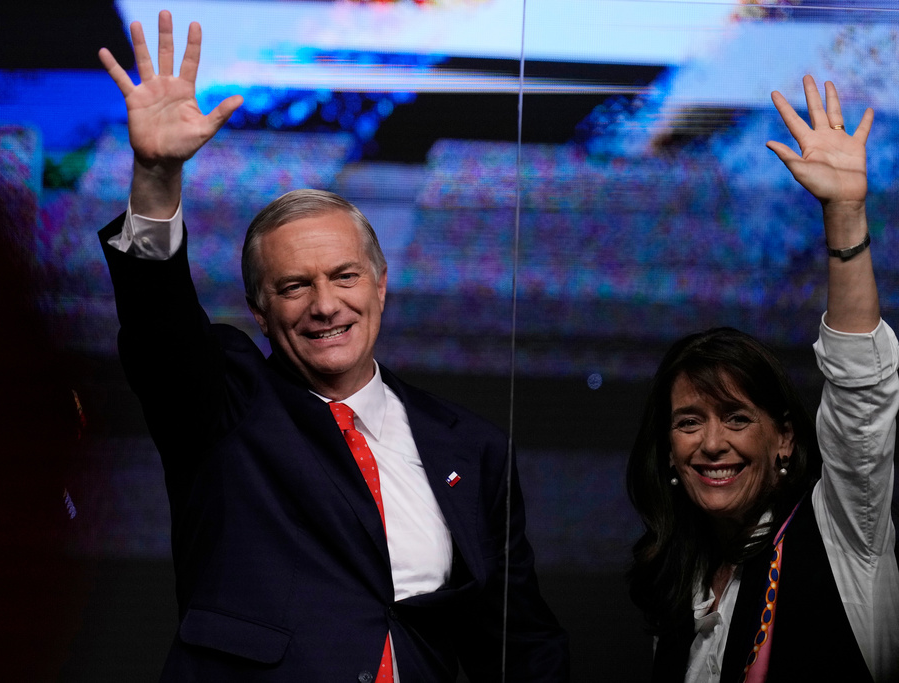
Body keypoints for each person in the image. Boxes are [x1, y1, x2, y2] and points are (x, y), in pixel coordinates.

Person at [96, 11, 569, 682]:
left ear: (380, 287)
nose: (325, 304)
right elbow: (158, 325)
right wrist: (155, 178)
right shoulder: (225, 405)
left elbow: (521, 638)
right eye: (294, 285)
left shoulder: (474, 448)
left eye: (344, 276)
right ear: (260, 311)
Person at [626, 76, 899, 682]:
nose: (712, 442)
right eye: (689, 421)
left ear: (784, 438)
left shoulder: (840, 534)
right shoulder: (680, 592)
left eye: (738, 417)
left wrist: (846, 217)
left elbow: (862, 395)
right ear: (669, 451)